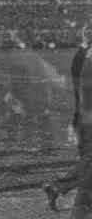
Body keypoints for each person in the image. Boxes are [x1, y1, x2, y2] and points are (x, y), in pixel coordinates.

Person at [44, 25, 92, 215]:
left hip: (82, 119)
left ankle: (61, 192)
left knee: (89, 174)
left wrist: (84, 44)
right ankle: (58, 186)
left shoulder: (81, 59)